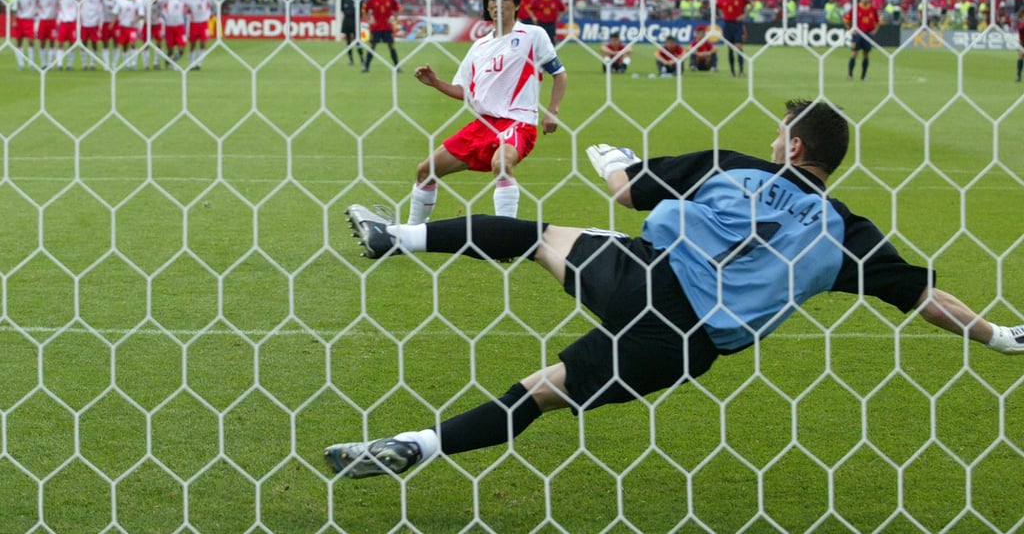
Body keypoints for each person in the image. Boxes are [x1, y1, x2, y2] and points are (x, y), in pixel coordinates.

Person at [325, 99, 1024, 479]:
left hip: (644, 277)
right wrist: (997, 336)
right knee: (538, 391)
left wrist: (614, 159)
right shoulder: (849, 233)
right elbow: (927, 299)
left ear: (794, 148)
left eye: (780, 135)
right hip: (684, 345)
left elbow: (627, 193)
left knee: (535, 238)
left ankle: (398, 236)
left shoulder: (736, 164)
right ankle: (420, 444)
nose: (773, 142)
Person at [361, 0, 566, 231]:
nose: (497, 4)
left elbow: (559, 74)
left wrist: (552, 111)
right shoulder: (479, 47)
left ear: (516, 5)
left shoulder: (533, 35)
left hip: (518, 122)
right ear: (487, 6)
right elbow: (465, 92)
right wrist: (436, 83)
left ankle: (507, 236)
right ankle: (411, 233)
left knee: (502, 164)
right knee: (425, 170)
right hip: (483, 124)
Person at [361, 0, 401, 73]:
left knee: (391, 46)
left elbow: (398, 9)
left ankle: (397, 66)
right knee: (372, 46)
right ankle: (366, 67)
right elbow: (364, 10)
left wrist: (394, 20)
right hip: (376, 27)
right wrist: (368, 20)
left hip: (387, 27)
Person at [844, 0, 880, 81]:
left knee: (866, 54)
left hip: (867, 34)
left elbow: (878, 21)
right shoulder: (855, 8)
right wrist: (850, 29)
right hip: (857, 34)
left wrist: (875, 30)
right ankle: (850, 75)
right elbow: (846, 20)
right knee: (854, 53)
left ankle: (863, 76)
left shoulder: (872, 9)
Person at [715, 0, 749, 77]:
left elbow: (750, 4)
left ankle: (741, 71)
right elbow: (717, 7)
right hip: (727, 24)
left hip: (737, 24)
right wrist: (719, 15)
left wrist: (744, 15)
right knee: (730, 48)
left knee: (739, 47)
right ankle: (732, 71)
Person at [76, 0, 105, 70]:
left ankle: (93, 63)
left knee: (94, 43)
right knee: (83, 43)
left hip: (95, 21)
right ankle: (84, 63)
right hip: (84, 21)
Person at [185, 0, 213, 70]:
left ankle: (199, 63)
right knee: (193, 44)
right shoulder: (187, 0)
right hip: (193, 23)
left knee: (203, 43)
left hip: (203, 23)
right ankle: (191, 63)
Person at [10, 0, 39, 70]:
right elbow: (14, 8)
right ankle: (21, 64)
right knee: (19, 42)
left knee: (31, 41)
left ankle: (31, 64)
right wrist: (14, 21)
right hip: (20, 19)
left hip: (30, 20)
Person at [161, 0, 188, 67]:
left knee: (182, 49)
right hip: (169, 27)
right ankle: (168, 60)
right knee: (170, 50)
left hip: (180, 27)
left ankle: (173, 61)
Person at [55, 0, 79, 70]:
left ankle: (70, 65)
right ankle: (59, 64)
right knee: (60, 43)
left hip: (73, 23)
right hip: (63, 22)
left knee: (72, 44)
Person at [340, 0, 364, 67]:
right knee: (348, 41)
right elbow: (342, 9)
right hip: (347, 21)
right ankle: (351, 60)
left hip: (355, 21)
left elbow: (361, 10)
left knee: (358, 40)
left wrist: (358, 16)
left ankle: (362, 59)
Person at [35, 0, 59, 70]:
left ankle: (50, 63)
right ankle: (43, 63)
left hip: (52, 21)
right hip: (42, 21)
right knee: (42, 43)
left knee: (52, 42)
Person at [1016, 7, 1023, 83]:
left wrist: (1020, 45)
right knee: (1020, 56)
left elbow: (1021, 37)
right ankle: (1018, 76)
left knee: (1020, 56)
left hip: (1023, 42)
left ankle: (1018, 76)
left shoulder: (1021, 25)